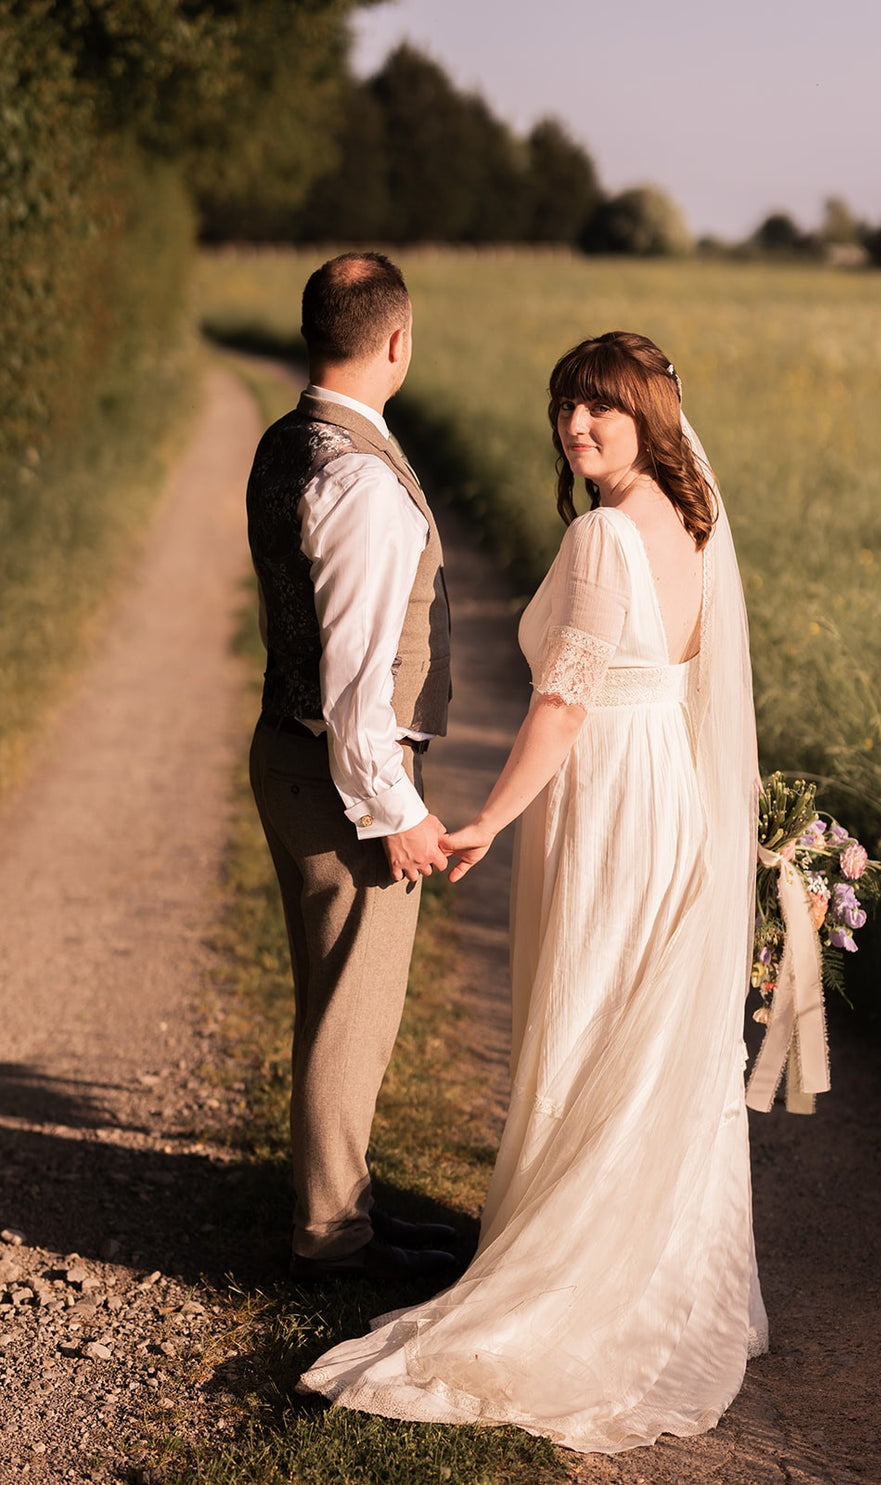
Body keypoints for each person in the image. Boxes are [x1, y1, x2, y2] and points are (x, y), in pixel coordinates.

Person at [297, 331, 768, 1451]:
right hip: (664, 796)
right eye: (564, 408)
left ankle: (574, 1264)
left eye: (600, 409)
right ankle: (657, 1258)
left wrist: (489, 821)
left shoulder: (608, 533)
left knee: (591, 1008)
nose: (575, 428)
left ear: (652, 413)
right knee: (631, 1028)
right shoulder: (691, 522)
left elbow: (563, 706)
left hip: (606, 796)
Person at [246, 252, 459, 1284]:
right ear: (397, 342)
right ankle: (333, 1240)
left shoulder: (289, 442)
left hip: (285, 754)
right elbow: (361, 683)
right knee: (352, 1015)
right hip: (342, 778)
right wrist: (396, 810)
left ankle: (349, 1209)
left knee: (333, 998)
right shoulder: (364, 482)